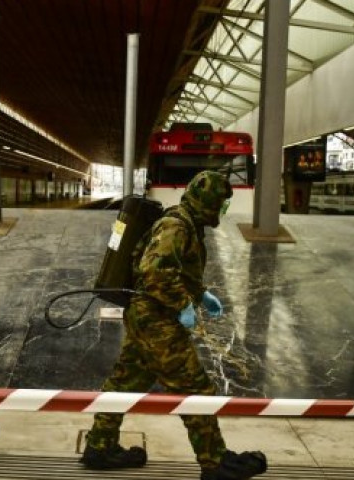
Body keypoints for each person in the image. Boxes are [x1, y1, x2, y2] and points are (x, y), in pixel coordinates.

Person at [80, 170, 267, 480]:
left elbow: (177, 269)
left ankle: (100, 446)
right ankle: (215, 463)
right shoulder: (175, 226)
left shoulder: (187, 225)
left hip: (148, 317)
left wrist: (200, 294)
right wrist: (182, 305)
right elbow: (154, 271)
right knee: (195, 389)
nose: (223, 210)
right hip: (157, 322)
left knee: (125, 383)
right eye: (221, 204)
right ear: (207, 202)